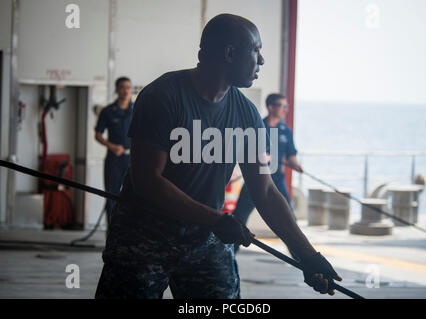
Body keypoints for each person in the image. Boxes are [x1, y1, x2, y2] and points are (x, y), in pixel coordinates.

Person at [95, 14, 341, 299]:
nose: (261, 60)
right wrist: (215, 219)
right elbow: (148, 181)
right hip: (145, 236)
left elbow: (266, 192)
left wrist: (307, 257)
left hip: (205, 238)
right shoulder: (163, 97)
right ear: (229, 53)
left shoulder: (246, 114)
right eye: (256, 50)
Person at [233, 93, 303, 254]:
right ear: (271, 107)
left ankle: (300, 257)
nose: (285, 110)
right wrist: (260, 156)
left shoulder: (286, 131)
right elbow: (244, 150)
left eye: (287, 106)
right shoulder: (258, 126)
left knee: (289, 218)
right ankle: (230, 252)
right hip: (256, 178)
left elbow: (291, 156)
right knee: (240, 216)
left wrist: (296, 165)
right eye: (282, 106)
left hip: (277, 179)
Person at [94, 77, 134, 226]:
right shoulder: (108, 111)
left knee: (134, 198)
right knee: (112, 197)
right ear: (117, 90)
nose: (126, 91)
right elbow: (98, 135)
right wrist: (112, 147)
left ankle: (129, 234)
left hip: (133, 160)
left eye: (128, 87)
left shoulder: (136, 110)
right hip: (114, 160)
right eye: (122, 87)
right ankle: (111, 234)